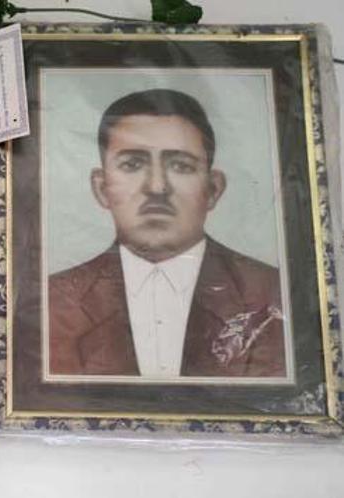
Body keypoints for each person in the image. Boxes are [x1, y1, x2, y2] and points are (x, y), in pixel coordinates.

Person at [48, 89, 286, 378]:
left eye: (181, 166)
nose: (157, 187)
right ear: (101, 188)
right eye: (132, 164)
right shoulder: (53, 303)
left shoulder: (274, 294)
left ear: (213, 189)